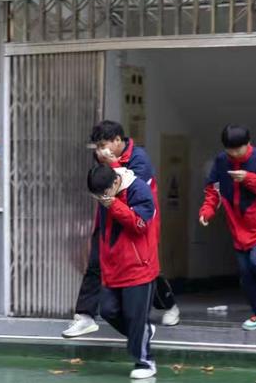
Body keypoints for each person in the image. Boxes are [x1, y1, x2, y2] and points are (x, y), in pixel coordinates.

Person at [63, 121, 179, 338]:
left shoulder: (139, 160)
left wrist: (114, 165)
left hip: (138, 222)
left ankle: (168, 304)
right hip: (108, 219)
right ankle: (85, 316)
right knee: (95, 263)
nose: (99, 152)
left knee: (147, 269)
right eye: (96, 147)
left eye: (103, 145)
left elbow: (131, 189)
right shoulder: (103, 158)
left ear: (118, 141)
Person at [199, 124, 256, 330]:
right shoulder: (221, 161)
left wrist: (249, 179)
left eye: (239, 149)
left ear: (248, 144)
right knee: (246, 273)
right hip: (239, 227)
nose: (234, 153)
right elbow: (213, 190)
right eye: (230, 149)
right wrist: (207, 211)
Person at [87, 164, 159, 379]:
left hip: (139, 266)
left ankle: (145, 363)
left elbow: (140, 225)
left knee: (135, 316)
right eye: (97, 195)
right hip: (113, 264)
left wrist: (115, 205)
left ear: (115, 182)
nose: (101, 198)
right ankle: (143, 334)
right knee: (108, 310)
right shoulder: (105, 195)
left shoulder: (139, 190)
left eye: (104, 193)